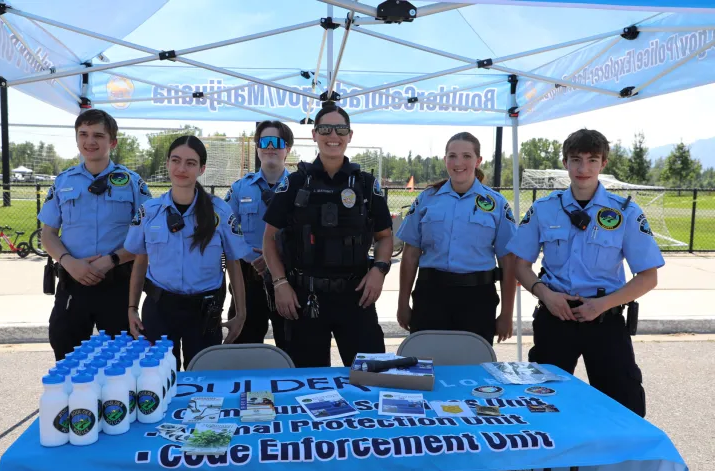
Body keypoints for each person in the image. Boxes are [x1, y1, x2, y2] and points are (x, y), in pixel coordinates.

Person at [507, 128, 663, 418]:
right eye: (576, 159)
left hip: (605, 321)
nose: (583, 168)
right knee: (541, 406)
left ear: (603, 164)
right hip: (555, 318)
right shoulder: (544, 209)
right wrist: (546, 295)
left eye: (592, 160)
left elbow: (648, 277)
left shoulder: (625, 213)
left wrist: (601, 305)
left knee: (624, 408)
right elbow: (520, 266)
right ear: (565, 162)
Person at [262, 103, 393, 368]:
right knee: (308, 383)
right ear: (314, 134)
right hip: (305, 298)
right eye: (325, 129)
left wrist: (379, 270)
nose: (333, 135)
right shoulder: (296, 183)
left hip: (357, 297)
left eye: (340, 129)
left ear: (350, 135)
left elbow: (385, 236)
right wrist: (280, 283)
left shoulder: (366, 184)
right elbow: (269, 238)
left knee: (371, 376)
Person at [124, 135, 250, 370]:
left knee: (204, 380)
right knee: (160, 379)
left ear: (201, 169)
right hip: (159, 310)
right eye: (176, 160)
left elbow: (234, 264)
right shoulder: (149, 212)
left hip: (203, 313)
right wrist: (132, 308)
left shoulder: (220, 211)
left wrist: (240, 314)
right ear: (167, 163)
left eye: (190, 163)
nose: (181, 168)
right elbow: (140, 261)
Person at [39, 109, 151, 361]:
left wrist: (112, 260)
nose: (90, 141)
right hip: (72, 283)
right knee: (66, 355)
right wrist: (69, 263)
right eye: (83, 134)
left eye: (98, 135)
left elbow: (146, 238)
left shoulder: (133, 183)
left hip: (118, 286)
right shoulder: (63, 181)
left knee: (122, 362)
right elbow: (48, 234)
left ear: (113, 142)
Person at [396, 132, 517, 345]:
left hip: (477, 300)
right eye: (452, 156)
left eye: (467, 156)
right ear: (445, 160)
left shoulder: (496, 204)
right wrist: (402, 303)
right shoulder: (426, 199)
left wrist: (507, 313)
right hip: (430, 297)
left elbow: (508, 262)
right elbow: (410, 255)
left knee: (474, 363)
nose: (458, 163)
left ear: (478, 161)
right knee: (427, 361)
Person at [224, 121, 292, 348]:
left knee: (293, 349)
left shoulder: (300, 187)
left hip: (289, 280)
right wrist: (249, 255)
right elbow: (226, 232)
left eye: (277, 142)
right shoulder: (239, 188)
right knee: (243, 349)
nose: (270, 147)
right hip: (248, 279)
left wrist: (275, 257)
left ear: (287, 149)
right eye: (265, 142)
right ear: (257, 147)